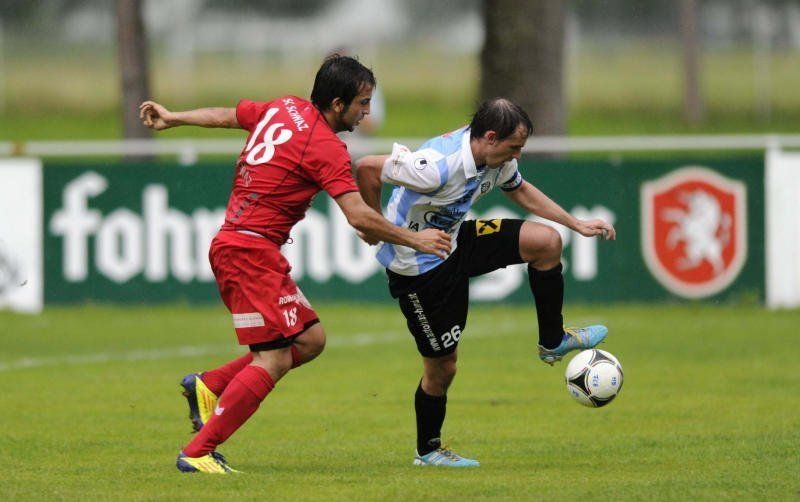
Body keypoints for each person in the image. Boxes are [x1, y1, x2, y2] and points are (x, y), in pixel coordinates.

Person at [139, 55, 451, 474]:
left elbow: (228, 116)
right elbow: (358, 215)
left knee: (309, 340)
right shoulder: (325, 146)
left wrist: (175, 118)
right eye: (362, 103)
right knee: (272, 359)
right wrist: (416, 239)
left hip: (247, 247)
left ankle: (208, 385)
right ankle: (198, 452)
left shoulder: (284, 107)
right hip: (249, 253)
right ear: (337, 104)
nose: (367, 112)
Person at [354, 98, 617, 467]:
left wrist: (575, 223)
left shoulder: (497, 158)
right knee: (443, 367)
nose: (518, 156)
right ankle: (428, 451)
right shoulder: (436, 167)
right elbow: (367, 167)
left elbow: (519, 189)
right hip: (417, 267)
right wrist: (374, 225)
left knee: (546, 243)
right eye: (514, 147)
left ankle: (552, 341)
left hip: (454, 240)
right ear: (490, 137)